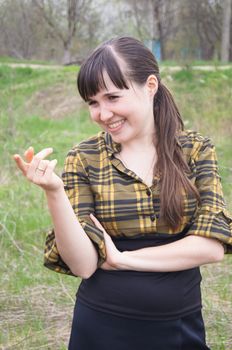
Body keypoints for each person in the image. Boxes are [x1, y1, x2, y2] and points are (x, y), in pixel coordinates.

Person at [14, 36, 232, 350]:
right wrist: (54, 192)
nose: (102, 114)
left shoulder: (195, 150)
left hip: (180, 329)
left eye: (113, 97)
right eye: (92, 102)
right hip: (101, 330)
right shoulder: (85, 158)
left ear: (150, 86)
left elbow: (210, 247)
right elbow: (84, 265)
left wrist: (122, 258)